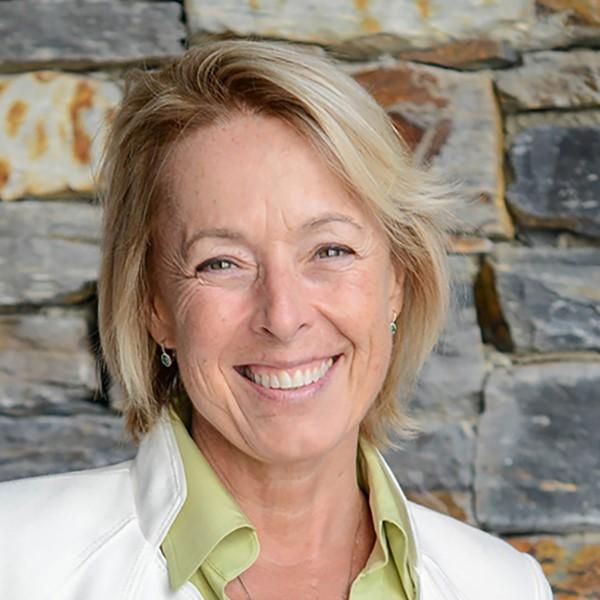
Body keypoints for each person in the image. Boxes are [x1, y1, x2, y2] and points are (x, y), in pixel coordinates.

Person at [0, 40, 552, 600]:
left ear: (397, 282)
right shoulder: (15, 561)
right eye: (222, 263)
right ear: (154, 306)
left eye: (330, 250)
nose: (283, 318)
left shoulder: (506, 587)